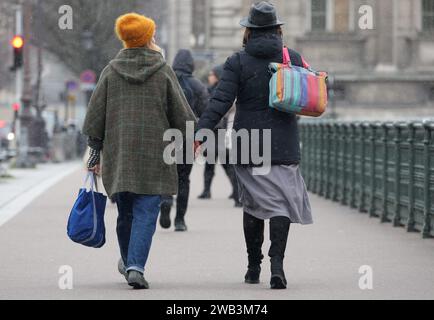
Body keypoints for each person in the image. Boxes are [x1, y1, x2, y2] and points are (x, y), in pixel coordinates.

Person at [196, 2, 313, 290]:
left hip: (249, 143)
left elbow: (221, 101)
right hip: (284, 141)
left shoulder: (237, 61)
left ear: (249, 31)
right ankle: (277, 265)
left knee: (253, 204)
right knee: (281, 204)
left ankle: (252, 266)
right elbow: (311, 93)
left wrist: (201, 131)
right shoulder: (292, 57)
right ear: (277, 29)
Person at [83, 13, 196, 289]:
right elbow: (181, 113)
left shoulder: (111, 70)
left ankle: (127, 260)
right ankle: (135, 265)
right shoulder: (162, 70)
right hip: (154, 154)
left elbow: (95, 115)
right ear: (148, 39)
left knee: (126, 212)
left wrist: (95, 151)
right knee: (147, 210)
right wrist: (192, 138)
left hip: (120, 155)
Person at [159, 49, 208, 232]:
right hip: (188, 136)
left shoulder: (165, 80)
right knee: (183, 178)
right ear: (191, 64)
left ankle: (165, 201)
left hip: (166, 136)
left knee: (165, 173)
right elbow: (205, 113)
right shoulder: (197, 86)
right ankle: (180, 219)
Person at [197, 65, 241, 207]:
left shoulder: (220, 91)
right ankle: (208, 190)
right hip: (213, 133)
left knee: (224, 163)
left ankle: (235, 192)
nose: (209, 77)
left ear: (217, 76)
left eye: (211, 74)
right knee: (215, 164)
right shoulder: (208, 90)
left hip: (219, 133)